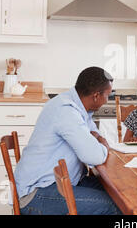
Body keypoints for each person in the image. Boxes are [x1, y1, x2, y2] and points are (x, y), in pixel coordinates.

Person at [13, 67, 122, 215]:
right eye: (108, 95)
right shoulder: (66, 110)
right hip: (36, 193)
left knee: (120, 194)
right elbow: (94, 156)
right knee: (116, 205)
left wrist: (99, 139)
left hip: (62, 182)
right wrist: (103, 143)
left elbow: (94, 133)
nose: (107, 100)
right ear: (96, 96)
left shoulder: (78, 106)